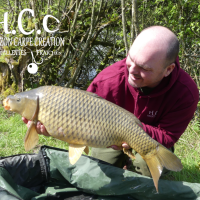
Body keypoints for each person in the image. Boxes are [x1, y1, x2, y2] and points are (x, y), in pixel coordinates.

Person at [22, 26, 199, 177]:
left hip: (150, 138)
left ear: (168, 69)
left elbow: (168, 136)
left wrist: (130, 132)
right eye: (131, 59)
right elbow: (79, 122)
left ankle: (136, 166)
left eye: (144, 68)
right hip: (107, 136)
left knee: (146, 169)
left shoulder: (186, 93)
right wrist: (56, 129)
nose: (132, 71)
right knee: (99, 169)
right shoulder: (107, 80)